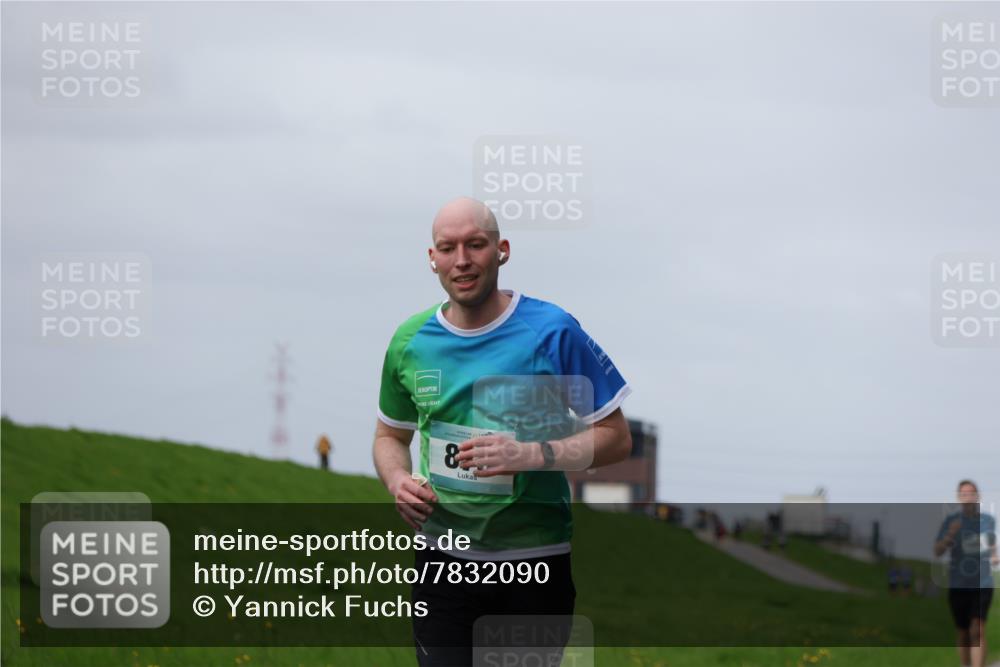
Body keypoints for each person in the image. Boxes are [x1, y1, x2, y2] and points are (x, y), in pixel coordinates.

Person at [372, 197, 633, 667]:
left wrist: (530, 454)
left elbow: (616, 437)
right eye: (447, 248)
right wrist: (397, 482)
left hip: (534, 563)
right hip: (442, 561)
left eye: (476, 244)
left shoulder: (551, 331)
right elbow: (390, 437)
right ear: (432, 259)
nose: (462, 260)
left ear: (502, 250)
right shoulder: (410, 342)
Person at [934, 480, 999, 667]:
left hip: (982, 583)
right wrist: (950, 536)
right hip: (958, 584)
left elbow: (987, 541)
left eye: (972, 493)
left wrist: (994, 555)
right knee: (962, 632)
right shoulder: (950, 522)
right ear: (958, 498)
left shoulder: (987, 520)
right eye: (964, 494)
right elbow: (938, 551)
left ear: (978, 497)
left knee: (977, 630)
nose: (968, 497)